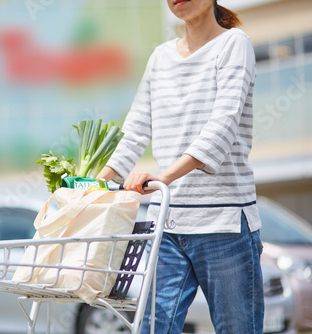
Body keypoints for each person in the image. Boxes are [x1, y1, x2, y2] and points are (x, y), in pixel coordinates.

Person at [97, 0, 264, 333]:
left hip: (224, 224)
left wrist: (164, 176)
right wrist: (95, 184)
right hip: (166, 225)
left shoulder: (234, 44)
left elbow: (223, 124)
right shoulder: (160, 57)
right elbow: (135, 128)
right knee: (152, 329)